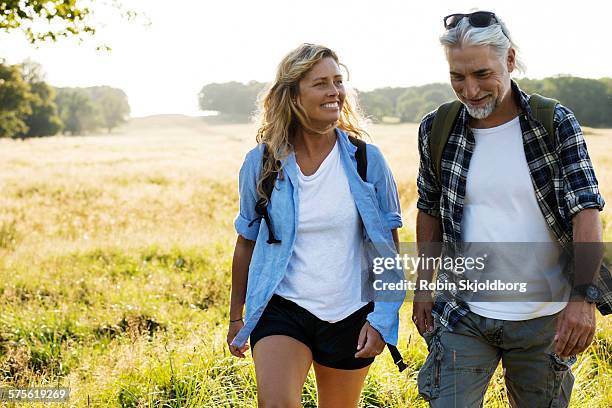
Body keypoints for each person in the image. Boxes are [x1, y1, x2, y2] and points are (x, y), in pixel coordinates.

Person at [413, 11, 611, 407]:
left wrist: (582, 298)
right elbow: (429, 209)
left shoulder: (553, 122)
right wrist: (423, 285)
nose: (470, 90)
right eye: (458, 76)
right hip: (463, 314)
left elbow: (585, 211)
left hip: (544, 319)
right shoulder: (437, 128)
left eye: (482, 74)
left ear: (509, 60)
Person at [226, 43, 404, 407]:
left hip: (351, 312)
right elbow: (245, 242)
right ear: (292, 94)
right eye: (320, 83)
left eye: (338, 81)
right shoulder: (262, 163)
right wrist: (235, 317)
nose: (334, 91)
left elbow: (389, 247)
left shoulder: (367, 161)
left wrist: (383, 317)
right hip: (283, 307)